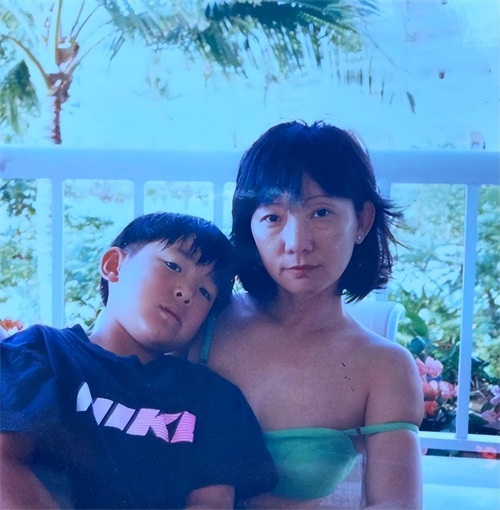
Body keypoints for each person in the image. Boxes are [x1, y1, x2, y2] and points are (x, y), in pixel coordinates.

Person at [191, 121, 424, 509]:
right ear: (250, 226)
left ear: (363, 221)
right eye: (273, 217)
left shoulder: (385, 368)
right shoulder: (202, 318)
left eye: (321, 212)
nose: (297, 243)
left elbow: (394, 505)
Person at [0, 212, 277, 509]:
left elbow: (211, 503)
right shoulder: (42, 352)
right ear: (114, 265)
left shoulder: (214, 398)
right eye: (173, 265)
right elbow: (5, 464)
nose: (186, 293)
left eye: (205, 292)